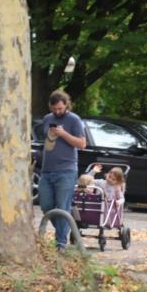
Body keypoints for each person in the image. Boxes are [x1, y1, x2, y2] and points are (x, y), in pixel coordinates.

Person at [38, 90, 87, 249]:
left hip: (66, 169)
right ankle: (66, 228)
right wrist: (52, 135)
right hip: (47, 169)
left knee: (62, 207)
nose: (57, 112)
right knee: (46, 205)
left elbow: (81, 144)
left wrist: (63, 133)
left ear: (66, 104)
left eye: (60, 108)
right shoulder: (47, 119)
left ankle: (61, 243)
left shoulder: (74, 120)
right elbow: (46, 141)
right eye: (54, 109)